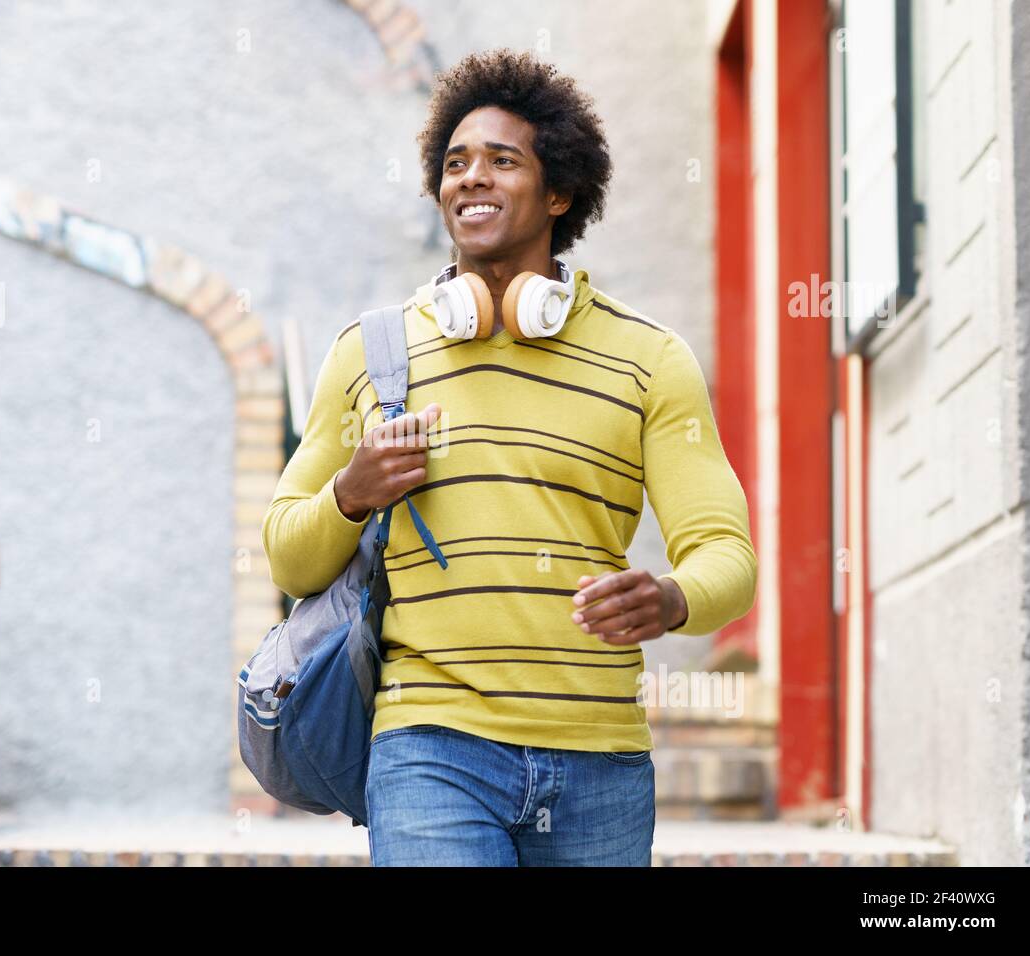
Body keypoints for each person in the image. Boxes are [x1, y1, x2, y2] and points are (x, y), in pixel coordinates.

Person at [261, 48, 757, 866]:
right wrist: (351, 494)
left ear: (559, 191)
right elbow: (285, 552)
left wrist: (669, 598)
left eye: (501, 160)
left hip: (600, 759)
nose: (470, 179)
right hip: (430, 749)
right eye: (454, 164)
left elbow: (727, 554)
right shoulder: (370, 352)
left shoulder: (649, 360)